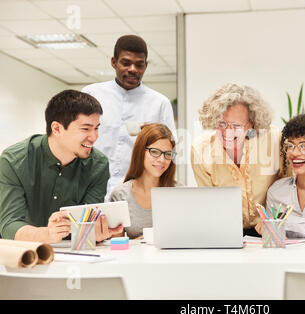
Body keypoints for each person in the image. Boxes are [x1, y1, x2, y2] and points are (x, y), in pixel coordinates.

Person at [0, 90, 123, 243]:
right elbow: (9, 224)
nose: (94, 137)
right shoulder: (14, 160)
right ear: (57, 129)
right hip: (23, 253)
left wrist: (93, 233)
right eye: (85, 128)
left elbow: (87, 223)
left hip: (72, 254)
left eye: (96, 128)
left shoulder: (98, 165)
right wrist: (47, 234)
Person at [82, 34, 177, 200]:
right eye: (126, 63)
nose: (133, 69)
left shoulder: (159, 103)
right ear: (114, 62)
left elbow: (170, 151)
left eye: (139, 64)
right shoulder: (91, 94)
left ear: (145, 66)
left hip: (139, 191)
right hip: (91, 187)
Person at [191, 83, 283, 236]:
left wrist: (273, 218)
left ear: (251, 125)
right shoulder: (200, 150)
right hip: (225, 231)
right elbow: (208, 202)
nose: (228, 132)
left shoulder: (273, 140)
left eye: (236, 126)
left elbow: (288, 185)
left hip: (269, 228)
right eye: (222, 124)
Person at [110, 123, 177, 239]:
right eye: (155, 152)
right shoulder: (120, 195)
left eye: (168, 154)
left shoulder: (180, 193)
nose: (162, 159)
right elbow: (117, 246)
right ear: (141, 151)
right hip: (136, 257)